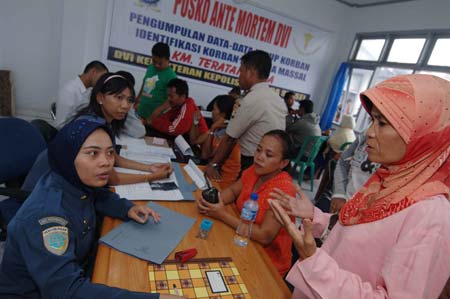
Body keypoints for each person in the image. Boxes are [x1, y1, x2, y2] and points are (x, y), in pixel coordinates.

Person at [269, 74, 450, 298]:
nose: (369, 133)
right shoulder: (387, 180)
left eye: (382, 123)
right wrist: (316, 218)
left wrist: (315, 262)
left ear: (422, 135)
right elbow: (358, 240)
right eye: (373, 120)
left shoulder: (430, 213)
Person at [0, 118, 182, 299]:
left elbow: (96, 196)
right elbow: (67, 291)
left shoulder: (72, 180)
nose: (106, 162)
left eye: (110, 153)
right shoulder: (47, 218)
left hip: (77, 270)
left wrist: (127, 208)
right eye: (93, 153)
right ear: (68, 156)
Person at [197, 130, 295, 276]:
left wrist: (222, 215)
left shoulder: (283, 190)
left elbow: (264, 236)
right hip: (239, 238)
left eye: (268, 155)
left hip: (266, 260)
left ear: (283, 163)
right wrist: (212, 202)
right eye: (258, 150)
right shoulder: (255, 171)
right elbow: (232, 191)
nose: (259, 157)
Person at [75, 72, 172, 185]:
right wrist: (153, 177)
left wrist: (150, 168)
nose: (125, 106)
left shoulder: (102, 122)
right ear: (100, 97)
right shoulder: (94, 129)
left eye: (129, 100)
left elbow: (115, 158)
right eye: (119, 98)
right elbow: (112, 179)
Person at [205, 50, 287, 179]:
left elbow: (230, 138)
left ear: (250, 72)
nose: (239, 76)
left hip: (253, 162)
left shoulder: (250, 99)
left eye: (240, 71)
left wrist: (214, 164)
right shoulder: (278, 99)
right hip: (272, 165)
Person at [146, 78, 208, 146]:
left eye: (171, 96)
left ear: (182, 96)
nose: (168, 99)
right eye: (168, 96)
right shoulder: (176, 104)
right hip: (181, 140)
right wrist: (161, 109)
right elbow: (156, 119)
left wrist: (153, 122)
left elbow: (174, 130)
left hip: (197, 146)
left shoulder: (188, 106)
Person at [200, 95, 240, 189]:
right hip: (212, 176)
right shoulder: (219, 129)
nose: (212, 112)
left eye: (214, 109)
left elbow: (206, 155)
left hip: (222, 184)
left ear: (222, 114)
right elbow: (205, 155)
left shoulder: (228, 135)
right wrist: (212, 130)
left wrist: (212, 128)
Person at [55, 60, 108, 128]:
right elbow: (60, 124)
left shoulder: (88, 91)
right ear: (94, 72)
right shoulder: (70, 91)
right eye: (101, 78)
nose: (102, 82)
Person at [136, 42, 177, 123]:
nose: (156, 65)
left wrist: (156, 113)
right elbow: (144, 84)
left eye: (160, 63)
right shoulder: (150, 67)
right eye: (154, 61)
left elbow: (171, 100)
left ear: (168, 60)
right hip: (140, 111)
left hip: (153, 118)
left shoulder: (171, 77)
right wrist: (137, 100)